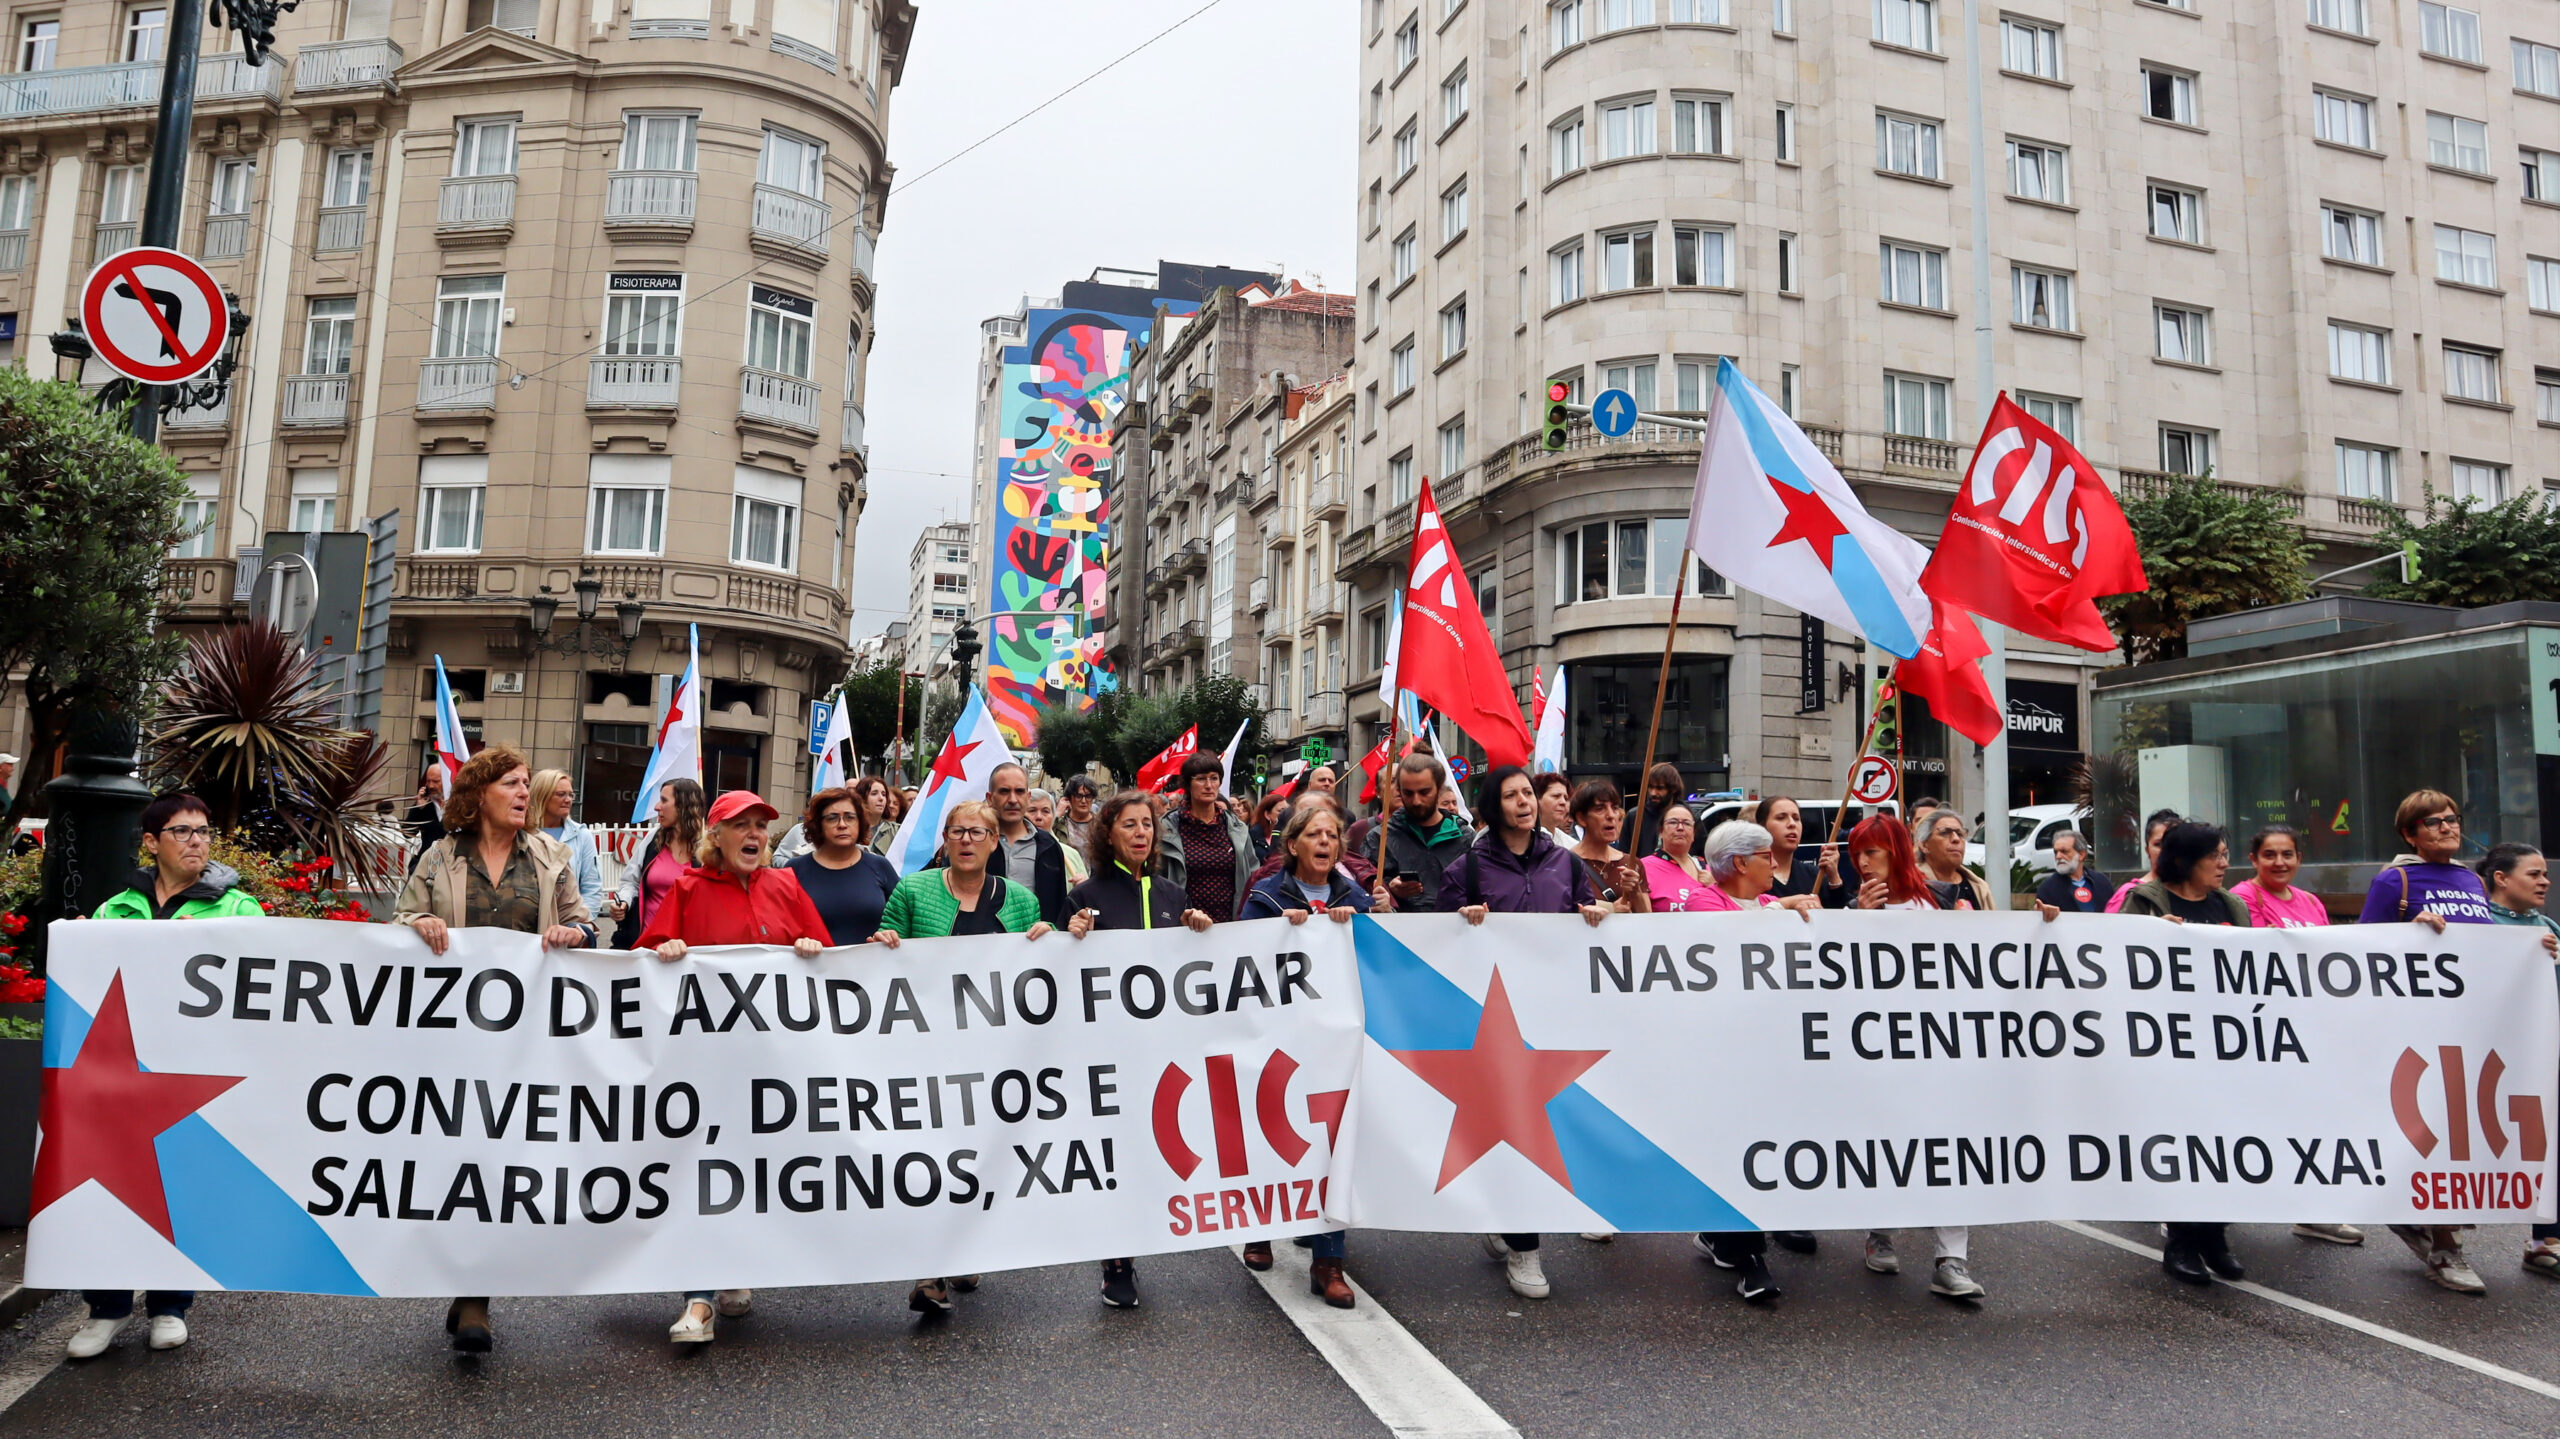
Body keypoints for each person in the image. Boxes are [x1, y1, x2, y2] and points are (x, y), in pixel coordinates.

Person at [392, 745, 595, 1353]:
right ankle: (469, 1288)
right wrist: (418, 926)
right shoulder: (440, 856)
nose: (521, 792)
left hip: (527, 1036)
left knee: (504, 1160)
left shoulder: (552, 857)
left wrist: (572, 932)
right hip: (453, 1035)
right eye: (511, 782)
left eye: (526, 782)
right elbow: (402, 918)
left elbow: (584, 922)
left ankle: (476, 1292)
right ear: (480, 792)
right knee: (460, 1156)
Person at [68, 793, 264, 1359]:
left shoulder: (239, 910)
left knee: (178, 1188)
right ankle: (104, 1308)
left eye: (204, 831)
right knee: (108, 1187)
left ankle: (170, 1305)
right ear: (152, 843)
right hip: (118, 1075)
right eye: (182, 832)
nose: (198, 841)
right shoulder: (115, 910)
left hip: (193, 1076)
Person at [637, 791, 830, 1344]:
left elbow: (824, 952)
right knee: (702, 1169)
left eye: (761, 827)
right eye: (740, 826)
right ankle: (698, 1300)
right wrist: (666, 948)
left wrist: (812, 946)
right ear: (715, 837)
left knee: (757, 1168)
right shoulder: (689, 888)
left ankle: (740, 1263)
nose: (754, 835)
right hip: (704, 1066)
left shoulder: (786, 886)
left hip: (772, 1064)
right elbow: (645, 965)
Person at [872, 799, 1055, 1315]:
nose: (968, 841)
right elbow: (880, 960)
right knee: (932, 1157)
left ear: (996, 841)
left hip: (996, 1060)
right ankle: (929, 1274)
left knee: (980, 1157)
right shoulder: (913, 891)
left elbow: (1042, 976)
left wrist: (1051, 940)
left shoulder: (1020, 901)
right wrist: (883, 940)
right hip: (927, 1055)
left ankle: (966, 1246)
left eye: (979, 832)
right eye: (958, 832)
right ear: (946, 840)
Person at [1443, 766, 1608, 1301]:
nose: (1524, 803)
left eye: (1527, 795)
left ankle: (1504, 1213)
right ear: (1492, 806)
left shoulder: (1565, 861)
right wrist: (1458, 918)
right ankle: (1524, 1246)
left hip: (1553, 1017)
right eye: (1512, 795)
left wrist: (1596, 912)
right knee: (1515, 1128)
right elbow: (1432, 940)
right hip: (1492, 1023)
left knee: (1546, 1127)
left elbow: (1584, 911)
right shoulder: (1466, 867)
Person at [1065, 790, 1214, 1308]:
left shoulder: (1175, 896)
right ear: (1110, 834)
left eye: (1147, 824)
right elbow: (1062, 972)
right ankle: (1117, 1261)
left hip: (1164, 1052)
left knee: (1155, 1150)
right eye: (1129, 825)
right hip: (1108, 1051)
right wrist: (1072, 935)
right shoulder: (1084, 895)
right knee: (1117, 1152)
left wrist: (1200, 931)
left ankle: (1144, 1234)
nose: (1140, 833)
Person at [2114, 822, 2264, 1285]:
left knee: (2225, 1140)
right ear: (2184, 860)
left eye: (2225, 854)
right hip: (2168, 1048)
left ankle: (2214, 1235)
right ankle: (2181, 1239)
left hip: (2225, 1047)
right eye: (2214, 855)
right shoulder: (2145, 902)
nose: (2224, 863)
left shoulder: (2232, 906)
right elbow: (2112, 961)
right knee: (2183, 1141)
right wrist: (2150, 937)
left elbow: (2257, 967)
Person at [1234, 802, 1369, 1307]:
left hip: (1335, 1039)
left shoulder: (1354, 895)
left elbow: (1379, 956)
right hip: (1279, 1036)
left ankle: (1329, 1262)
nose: (1324, 842)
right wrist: (1278, 931)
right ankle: (1262, 1228)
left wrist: (1356, 923)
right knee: (1275, 1129)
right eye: (1314, 834)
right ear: (1293, 845)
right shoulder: (1267, 895)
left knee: (1334, 1140)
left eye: (1332, 836)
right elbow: (1242, 957)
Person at [2478, 842, 2560, 1276]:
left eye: (2545, 873)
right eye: (2534, 874)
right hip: (2488, 1059)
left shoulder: (2548, 926)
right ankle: (2439, 1238)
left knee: (2551, 1146)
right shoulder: (2474, 923)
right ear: (2501, 879)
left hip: (2542, 1055)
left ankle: (2545, 1239)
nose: (2544, 881)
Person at [2359, 789, 2497, 927]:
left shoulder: (2476, 881)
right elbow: (2367, 940)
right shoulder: (2393, 880)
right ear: (2409, 835)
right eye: (2432, 822)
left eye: (2452, 820)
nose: (2446, 828)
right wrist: (2412, 929)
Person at [787, 786, 902, 946]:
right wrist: (798, 942)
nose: (842, 824)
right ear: (818, 825)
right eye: (832, 818)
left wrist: (890, 933)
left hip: (872, 968)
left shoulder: (879, 866)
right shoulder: (795, 869)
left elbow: (902, 919)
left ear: (860, 822)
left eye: (850, 817)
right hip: (810, 968)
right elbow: (781, 924)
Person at [1159, 751, 1258, 924]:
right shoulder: (1167, 828)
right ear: (1188, 784)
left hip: (1230, 927)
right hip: (1182, 927)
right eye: (1201, 779)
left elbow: (1254, 877)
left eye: (1214, 778)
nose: (1209, 785)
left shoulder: (1237, 828)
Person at [611, 778, 707, 947]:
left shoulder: (707, 851)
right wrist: (624, 902)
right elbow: (631, 882)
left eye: (664, 800)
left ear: (683, 806)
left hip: (686, 952)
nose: (656, 807)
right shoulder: (652, 839)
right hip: (644, 948)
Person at [1373, 755, 1472, 914]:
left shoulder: (1466, 838)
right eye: (1409, 793)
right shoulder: (1380, 838)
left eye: (1424, 792)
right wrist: (1390, 891)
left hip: (1455, 934)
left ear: (1439, 789)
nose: (1416, 801)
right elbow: (1364, 894)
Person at [982, 763, 1073, 927]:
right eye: (1004, 791)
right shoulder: (976, 843)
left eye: (1019, 791)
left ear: (1027, 797)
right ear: (990, 798)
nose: (1012, 799)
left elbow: (1058, 907)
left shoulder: (1049, 846)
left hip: (1038, 946)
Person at [529, 769, 607, 919]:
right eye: (560, 794)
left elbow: (592, 888)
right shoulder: (522, 833)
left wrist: (582, 927)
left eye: (571, 795)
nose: (568, 799)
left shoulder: (581, 835)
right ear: (541, 795)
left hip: (569, 928)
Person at [1568, 780, 1652, 914]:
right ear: (1581, 818)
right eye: (1599, 809)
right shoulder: (1565, 863)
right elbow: (1559, 913)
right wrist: (1611, 911)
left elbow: (1647, 921)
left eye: (1614, 808)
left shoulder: (1632, 864)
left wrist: (1635, 892)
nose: (1611, 815)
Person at [2228, 825, 2328, 929]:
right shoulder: (2244, 896)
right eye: (2269, 855)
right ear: (2254, 860)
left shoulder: (2311, 901)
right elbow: (2256, 942)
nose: (2279, 863)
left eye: (2287, 855)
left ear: (2298, 859)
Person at [1758, 795, 1847, 907]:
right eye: (1781, 818)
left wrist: (1834, 877)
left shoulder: (1815, 876)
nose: (1791, 824)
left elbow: (1838, 915)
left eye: (1796, 818)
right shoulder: (1752, 877)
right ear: (1762, 826)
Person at [1846, 813, 1934, 909]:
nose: (1862, 862)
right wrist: (1861, 918)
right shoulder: (1852, 909)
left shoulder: (1940, 897)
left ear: (1896, 851)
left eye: (1870, 852)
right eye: (1856, 854)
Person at [2102, 809, 2183, 914]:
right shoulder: (2131, 895)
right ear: (2147, 850)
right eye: (2158, 844)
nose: (2166, 850)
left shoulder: (2200, 894)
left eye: (2174, 843)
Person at [1917, 811, 1995, 911]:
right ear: (1924, 845)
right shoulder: (1911, 884)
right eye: (1945, 833)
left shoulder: (1979, 888)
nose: (1956, 839)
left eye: (1960, 834)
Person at [2036, 829, 2118, 913]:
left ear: (2081, 855)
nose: (2058, 856)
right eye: (2056, 852)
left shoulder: (2102, 882)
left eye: (2064, 851)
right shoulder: (2047, 888)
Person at [1024, 788, 1089, 884]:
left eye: (1045, 811)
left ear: (1053, 816)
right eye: (1032, 810)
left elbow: (1086, 895)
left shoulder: (1071, 855)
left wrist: (1083, 887)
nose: (1039, 817)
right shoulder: (1012, 852)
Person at [1631, 761, 1685, 856]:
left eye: (1659, 788)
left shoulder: (1688, 817)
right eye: (1650, 787)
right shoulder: (1635, 816)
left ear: (1673, 789)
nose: (1653, 793)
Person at [1532, 770, 1579, 846]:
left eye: (1566, 798)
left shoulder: (1572, 846)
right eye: (1556, 796)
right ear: (1536, 799)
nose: (1563, 802)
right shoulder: (1520, 839)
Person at [1057, 775, 1099, 854]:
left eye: (1088, 796)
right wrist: (1057, 814)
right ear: (1069, 798)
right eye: (1078, 796)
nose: (1083, 801)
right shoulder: (1059, 825)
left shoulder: (1101, 824)